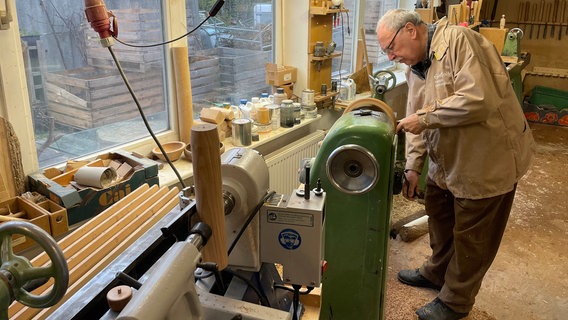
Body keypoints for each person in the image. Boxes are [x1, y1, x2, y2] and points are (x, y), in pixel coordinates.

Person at [376, 9, 535, 320]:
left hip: (486, 159)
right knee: (438, 213)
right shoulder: (415, 66)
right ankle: (437, 272)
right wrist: (412, 166)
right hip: (447, 159)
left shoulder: (460, 42)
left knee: (473, 234)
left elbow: (478, 99)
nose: (392, 56)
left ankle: (456, 300)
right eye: (385, 52)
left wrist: (423, 119)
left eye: (390, 47)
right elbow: (416, 118)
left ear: (410, 30)